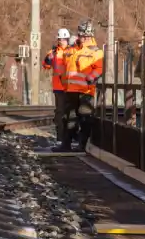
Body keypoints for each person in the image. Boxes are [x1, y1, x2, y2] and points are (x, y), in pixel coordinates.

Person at [63, 21, 103, 152]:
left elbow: (99, 69)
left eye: (80, 35)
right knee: (70, 118)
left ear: (86, 36)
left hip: (86, 90)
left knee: (85, 118)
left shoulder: (96, 52)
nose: (78, 37)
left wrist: (90, 79)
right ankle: (66, 145)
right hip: (72, 90)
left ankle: (82, 146)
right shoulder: (76, 50)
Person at [43, 28, 73, 143]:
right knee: (60, 113)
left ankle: (70, 137)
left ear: (67, 39)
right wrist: (47, 59)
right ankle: (60, 138)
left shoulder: (72, 51)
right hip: (59, 88)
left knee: (70, 112)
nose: (62, 41)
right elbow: (45, 65)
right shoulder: (53, 52)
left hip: (71, 87)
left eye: (64, 39)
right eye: (60, 39)